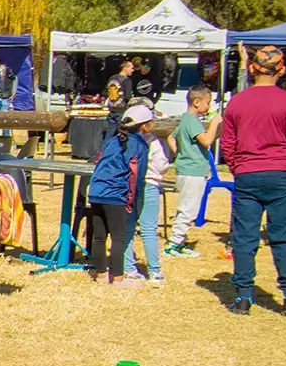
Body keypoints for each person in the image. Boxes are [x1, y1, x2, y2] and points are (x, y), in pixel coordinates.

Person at [219, 45, 286, 315]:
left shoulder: (237, 102)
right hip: (283, 175)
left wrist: (238, 167)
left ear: (253, 68)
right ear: (280, 70)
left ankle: (243, 297)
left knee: (244, 238)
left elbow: (228, 144)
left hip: (247, 174)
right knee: (285, 237)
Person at [86, 103, 153, 288]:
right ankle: (118, 279)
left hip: (96, 192)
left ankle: (100, 274)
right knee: (118, 237)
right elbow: (137, 177)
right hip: (115, 194)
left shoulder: (111, 141)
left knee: (99, 236)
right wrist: (133, 201)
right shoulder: (140, 145)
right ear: (144, 126)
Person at [164, 85, 220, 257]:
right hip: (192, 172)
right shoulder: (191, 120)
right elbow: (206, 141)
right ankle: (173, 245)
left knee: (189, 207)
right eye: (207, 103)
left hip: (188, 170)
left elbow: (171, 136)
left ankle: (179, 242)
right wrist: (215, 123)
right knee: (189, 208)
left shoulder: (185, 120)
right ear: (196, 102)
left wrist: (179, 152)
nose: (209, 107)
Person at [123, 115, 173, 284]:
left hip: (128, 186)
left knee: (128, 228)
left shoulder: (123, 140)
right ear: (146, 125)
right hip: (149, 185)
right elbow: (161, 165)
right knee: (149, 229)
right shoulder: (152, 141)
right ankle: (154, 271)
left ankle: (129, 268)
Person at [104, 57, 136, 139]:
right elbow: (128, 97)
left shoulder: (112, 78)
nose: (133, 70)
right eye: (131, 68)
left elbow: (106, 92)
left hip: (112, 108)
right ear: (125, 68)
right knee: (123, 133)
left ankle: (106, 150)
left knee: (110, 133)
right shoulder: (127, 80)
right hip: (121, 110)